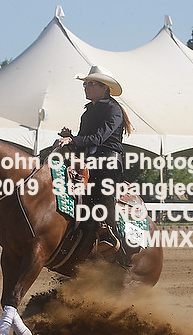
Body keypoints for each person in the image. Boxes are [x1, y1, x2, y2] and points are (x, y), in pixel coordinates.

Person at [57, 65, 132, 253]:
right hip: (90, 161)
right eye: (85, 84)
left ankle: (111, 235)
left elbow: (98, 138)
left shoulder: (114, 110)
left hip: (108, 162)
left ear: (104, 87)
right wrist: (71, 139)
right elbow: (84, 143)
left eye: (90, 84)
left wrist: (72, 139)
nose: (86, 87)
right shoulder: (87, 113)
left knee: (101, 190)